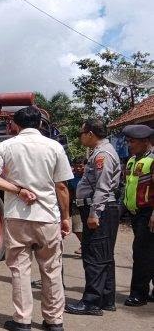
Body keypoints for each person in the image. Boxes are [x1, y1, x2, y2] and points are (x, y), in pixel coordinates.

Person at [0, 106, 72, 331]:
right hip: (48, 217)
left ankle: (22, 321)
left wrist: (17, 190)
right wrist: (66, 217)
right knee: (51, 270)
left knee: (20, 270)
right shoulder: (55, 147)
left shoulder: (5, 146)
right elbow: (61, 186)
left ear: (15, 125)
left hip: (17, 217)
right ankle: (54, 322)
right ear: (41, 124)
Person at [66, 119, 121, 316]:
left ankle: (91, 302)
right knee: (104, 255)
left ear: (90, 133)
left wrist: (94, 213)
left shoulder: (102, 154)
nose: (80, 136)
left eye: (82, 132)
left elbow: (103, 186)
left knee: (94, 257)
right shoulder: (101, 152)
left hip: (100, 208)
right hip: (103, 207)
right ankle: (106, 299)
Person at [121, 124, 154, 307]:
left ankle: (138, 294)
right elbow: (127, 187)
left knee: (141, 254)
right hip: (135, 214)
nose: (129, 145)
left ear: (145, 141)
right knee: (149, 253)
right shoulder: (133, 160)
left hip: (148, 213)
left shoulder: (152, 160)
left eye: (132, 141)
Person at [68, 158, 86, 254]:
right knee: (77, 229)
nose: (78, 168)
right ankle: (85, 245)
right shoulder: (71, 178)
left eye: (81, 166)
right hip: (76, 205)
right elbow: (70, 193)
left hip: (89, 205)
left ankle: (87, 246)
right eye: (76, 166)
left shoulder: (89, 177)